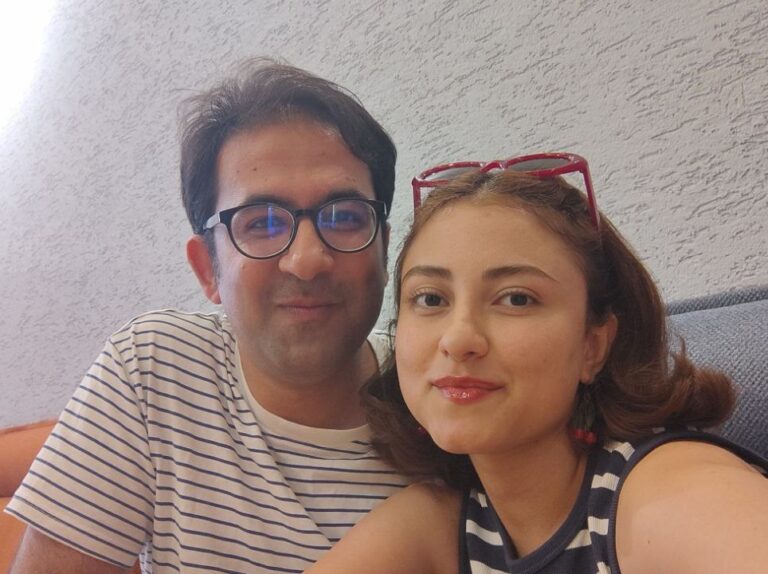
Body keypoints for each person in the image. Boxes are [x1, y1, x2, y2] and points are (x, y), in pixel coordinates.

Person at [5, 59, 409, 573]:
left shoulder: (443, 397)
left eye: (345, 217)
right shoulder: (153, 370)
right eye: (261, 223)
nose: (307, 259)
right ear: (207, 269)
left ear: (384, 249)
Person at [306, 154, 768, 574]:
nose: (459, 339)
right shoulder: (444, 522)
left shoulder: (662, 488)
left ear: (593, 345)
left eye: (516, 299)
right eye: (430, 299)